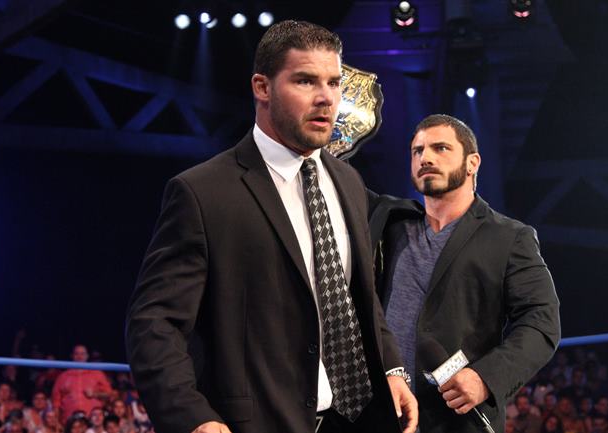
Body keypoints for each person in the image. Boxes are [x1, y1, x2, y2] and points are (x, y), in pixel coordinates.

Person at [125, 19, 417, 433]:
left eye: (334, 83)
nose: (326, 98)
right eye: (305, 81)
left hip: (360, 420)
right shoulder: (202, 193)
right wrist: (193, 417)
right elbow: (154, 323)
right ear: (262, 87)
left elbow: (358, 298)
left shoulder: (349, 181)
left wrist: (391, 369)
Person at [369, 114, 561, 433]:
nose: (426, 158)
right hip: (384, 416)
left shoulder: (509, 237)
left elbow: (542, 321)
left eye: (441, 148)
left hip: (453, 420)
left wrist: (485, 377)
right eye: (417, 151)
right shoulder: (391, 221)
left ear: (472, 163)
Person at [51, 345, 112, 424]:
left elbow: (109, 393)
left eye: (82, 354)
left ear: (87, 356)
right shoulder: (63, 376)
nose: (79, 356)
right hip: (69, 421)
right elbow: (56, 402)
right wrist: (56, 422)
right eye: (77, 354)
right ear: (72, 356)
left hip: (93, 421)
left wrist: (95, 394)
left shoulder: (97, 373)